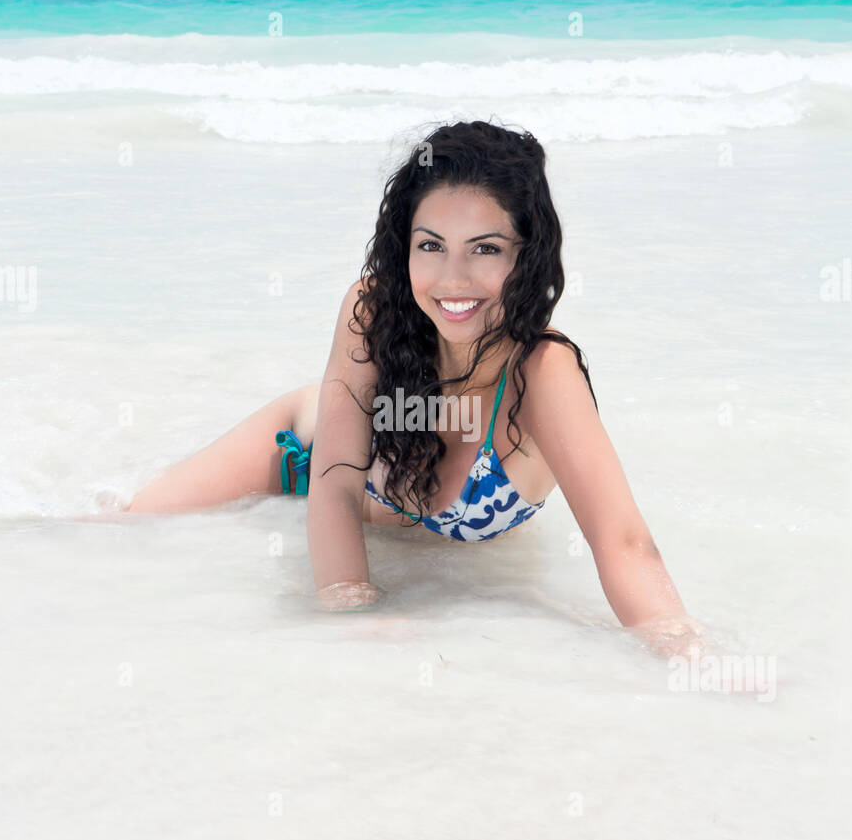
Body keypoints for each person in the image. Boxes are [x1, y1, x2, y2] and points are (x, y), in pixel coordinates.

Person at [125, 119, 706, 660]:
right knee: (118, 531)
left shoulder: (542, 372)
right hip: (295, 454)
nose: (453, 279)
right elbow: (335, 490)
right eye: (431, 246)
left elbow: (624, 543)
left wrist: (689, 656)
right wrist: (352, 607)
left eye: (485, 248)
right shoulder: (374, 309)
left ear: (526, 256)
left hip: (355, 497)